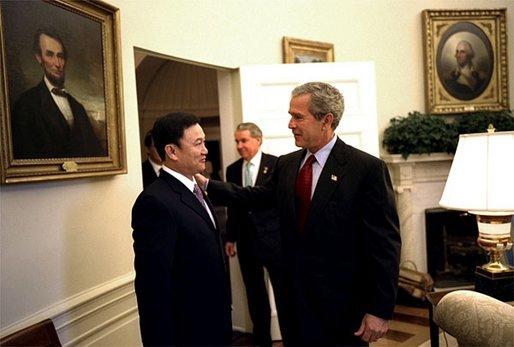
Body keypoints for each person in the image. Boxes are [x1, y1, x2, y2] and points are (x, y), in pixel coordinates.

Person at [198, 82, 401, 346]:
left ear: (326, 120)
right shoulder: (287, 163)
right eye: (290, 116)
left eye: (298, 117)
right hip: (293, 301)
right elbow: (258, 197)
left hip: (341, 308)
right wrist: (207, 185)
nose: (290, 124)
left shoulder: (365, 169)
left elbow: (384, 245)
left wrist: (380, 310)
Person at [131, 112, 232, 346]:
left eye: (204, 142)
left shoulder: (195, 188)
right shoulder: (154, 202)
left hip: (214, 324)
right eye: (198, 143)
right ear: (172, 151)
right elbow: (153, 288)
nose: (205, 150)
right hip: (188, 333)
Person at [225, 122, 288, 347]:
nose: (239, 146)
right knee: (255, 295)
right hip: (246, 242)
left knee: (284, 294)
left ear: (257, 140)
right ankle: (263, 341)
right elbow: (233, 205)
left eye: (243, 140)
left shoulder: (277, 164)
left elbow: (281, 203)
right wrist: (230, 237)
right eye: (237, 141)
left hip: (274, 241)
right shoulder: (232, 169)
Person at [11, 27, 104, 159]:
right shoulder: (25, 104)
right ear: (39, 58)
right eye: (50, 55)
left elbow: (96, 153)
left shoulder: (78, 108)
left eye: (60, 56)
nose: (58, 63)